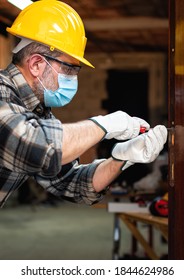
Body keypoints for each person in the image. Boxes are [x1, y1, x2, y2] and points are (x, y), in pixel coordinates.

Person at [0, 0, 167, 208]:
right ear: (36, 64)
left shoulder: (39, 113)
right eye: (69, 69)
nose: (73, 78)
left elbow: (71, 181)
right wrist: (105, 125)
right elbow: (39, 147)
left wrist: (122, 158)